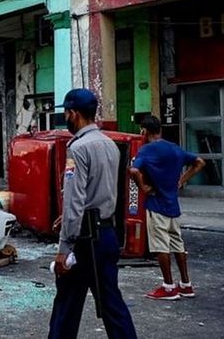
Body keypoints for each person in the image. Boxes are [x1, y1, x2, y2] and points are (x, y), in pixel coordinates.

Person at [48, 88, 137, 339]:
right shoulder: (109, 144)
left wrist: (64, 250)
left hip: (84, 241)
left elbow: (76, 200)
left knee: (66, 304)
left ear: (74, 114)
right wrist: (67, 218)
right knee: (111, 304)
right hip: (106, 233)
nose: (65, 119)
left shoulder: (77, 148)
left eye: (65, 113)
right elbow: (103, 193)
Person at [129, 114, 205, 300]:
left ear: (144, 131)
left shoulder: (146, 150)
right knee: (178, 244)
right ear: (160, 130)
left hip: (156, 205)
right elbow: (200, 162)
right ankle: (186, 284)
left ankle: (168, 286)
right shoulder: (175, 149)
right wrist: (182, 180)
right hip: (173, 206)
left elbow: (133, 170)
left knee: (160, 246)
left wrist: (144, 187)